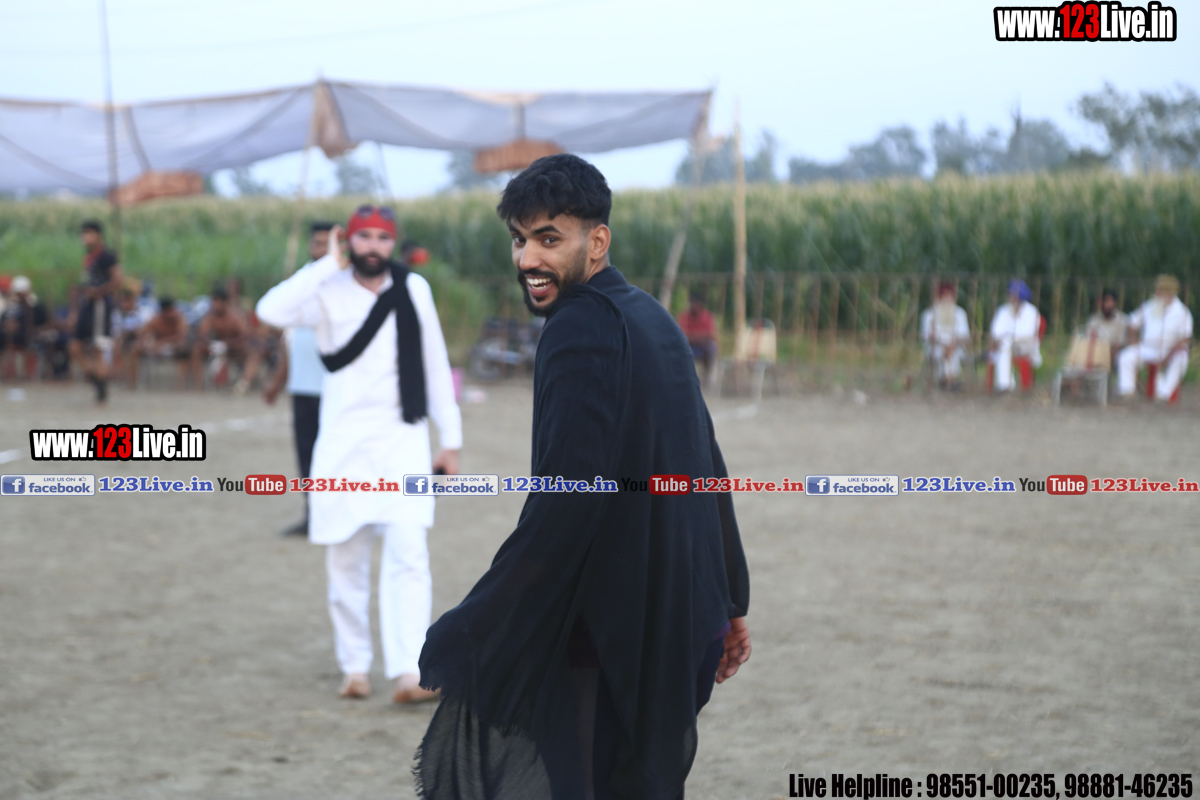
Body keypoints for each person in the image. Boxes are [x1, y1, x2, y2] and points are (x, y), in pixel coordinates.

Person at [415, 155, 751, 799]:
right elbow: (706, 464)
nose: (528, 259)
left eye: (549, 238)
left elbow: (568, 497)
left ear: (597, 242)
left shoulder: (579, 326)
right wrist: (730, 600)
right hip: (681, 614)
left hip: (613, 627)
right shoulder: (650, 314)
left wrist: (481, 621)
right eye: (519, 240)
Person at [256, 205, 461, 704]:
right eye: (363, 237)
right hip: (343, 445)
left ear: (393, 242)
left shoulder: (414, 289)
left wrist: (450, 439)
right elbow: (271, 312)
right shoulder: (325, 288)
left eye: (382, 237)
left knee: (410, 554)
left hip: (403, 439)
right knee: (345, 559)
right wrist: (326, 264)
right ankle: (355, 667)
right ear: (348, 241)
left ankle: (410, 671)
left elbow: (435, 364)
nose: (373, 246)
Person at [263, 222, 333, 538]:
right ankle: (312, 515)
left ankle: (339, 514)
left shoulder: (348, 281)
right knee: (306, 454)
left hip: (335, 387)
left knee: (337, 454)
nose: (321, 249)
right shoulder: (300, 283)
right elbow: (287, 337)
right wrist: (277, 381)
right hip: (303, 386)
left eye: (327, 244)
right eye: (317, 243)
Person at [70, 220, 122, 404]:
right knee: (75, 346)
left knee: (99, 347)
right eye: (83, 234)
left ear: (98, 235)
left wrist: (99, 292)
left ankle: (101, 389)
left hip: (100, 304)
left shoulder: (106, 256)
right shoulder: (89, 258)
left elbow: (118, 280)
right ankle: (94, 377)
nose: (84, 237)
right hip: (88, 304)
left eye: (88, 233)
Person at [1117, 274, 1193, 401]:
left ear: (1170, 292)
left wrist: (1167, 356)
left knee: (1182, 359)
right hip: (1147, 348)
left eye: (1160, 290)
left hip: (1170, 350)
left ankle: (1164, 394)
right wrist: (1133, 340)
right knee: (1126, 356)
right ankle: (1127, 391)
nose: (1156, 292)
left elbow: (1185, 338)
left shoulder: (1182, 311)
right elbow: (1132, 322)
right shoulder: (1150, 305)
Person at [191, 286, 262, 391]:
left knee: (253, 353)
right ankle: (199, 384)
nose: (215, 305)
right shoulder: (210, 316)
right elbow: (202, 334)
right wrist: (212, 344)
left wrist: (227, 344)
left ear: (225, 302)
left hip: (235, 349)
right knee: (196, 349)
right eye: (214, 301)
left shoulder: (235, 316)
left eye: (218, 301)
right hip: (214, 349)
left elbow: (246, 335)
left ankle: (244, 383)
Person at [988, 279, 1044, 392]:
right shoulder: (1003, 310)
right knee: (1004, 348)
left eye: (1014, 296)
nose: (1012, 298)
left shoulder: (1031, 311)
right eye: (1011, 295)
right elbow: (996, 331)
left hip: (1025, 345)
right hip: (1004, 344)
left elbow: (1029, 333)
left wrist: (1008, 337)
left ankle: (1005, 385)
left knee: (1005, 346)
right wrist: (1004, 339)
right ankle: (1005, 384)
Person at [919, 281, 971, 389]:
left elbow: (964, 336)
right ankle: (947, 380)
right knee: (942, 352)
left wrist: (952, 345)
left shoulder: (960, 313)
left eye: (949, 296)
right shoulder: (929, 314)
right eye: (943, 296)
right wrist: (943, 344)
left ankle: (948, 380)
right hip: (935, 346)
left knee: (952, 353)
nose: (946, 299)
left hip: (955, 347)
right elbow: (925, 336)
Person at [1, 276, 49, 380]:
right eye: (18, 293)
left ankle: (30, 374)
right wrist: (7, 326)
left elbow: (43, 323)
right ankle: (6, 373)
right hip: (12, 336)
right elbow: (4, 321)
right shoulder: (11, 308)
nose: (20, 296)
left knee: (31, 343)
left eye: (22, 293)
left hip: (30, 336)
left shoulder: (36, 307)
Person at [135, 297, 191, 388]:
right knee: (136, 348)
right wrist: (148, 343)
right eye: (170, 311)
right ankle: (133, 384)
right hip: (157, 349)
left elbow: (182, 336)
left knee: (184, 350)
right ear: (164, 311)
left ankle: (181, 384)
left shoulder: (179, 318)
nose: (172, 313)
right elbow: (141, 333)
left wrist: (162, 342)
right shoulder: (156, 320)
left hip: (176, 348)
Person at [677, 289, 719, 388]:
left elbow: (711, 335)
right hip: (689, 347)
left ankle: (708, 377)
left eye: (695, 303)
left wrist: (693, 337)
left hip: (703, 347)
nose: (693, 305)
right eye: (692, 302)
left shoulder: (708, 316)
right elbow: (681, 335)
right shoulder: (684, 316)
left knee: (712, 347)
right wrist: (700, 337)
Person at [1084, 289, 1130, 370]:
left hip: (1115, 355)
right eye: (1106, 301)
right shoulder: (1094, 320)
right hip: (1095, 354)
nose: (1109, 304)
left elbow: (1120, 344)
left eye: (1111, 301)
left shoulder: (1122, 320)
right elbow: (1088, 340)